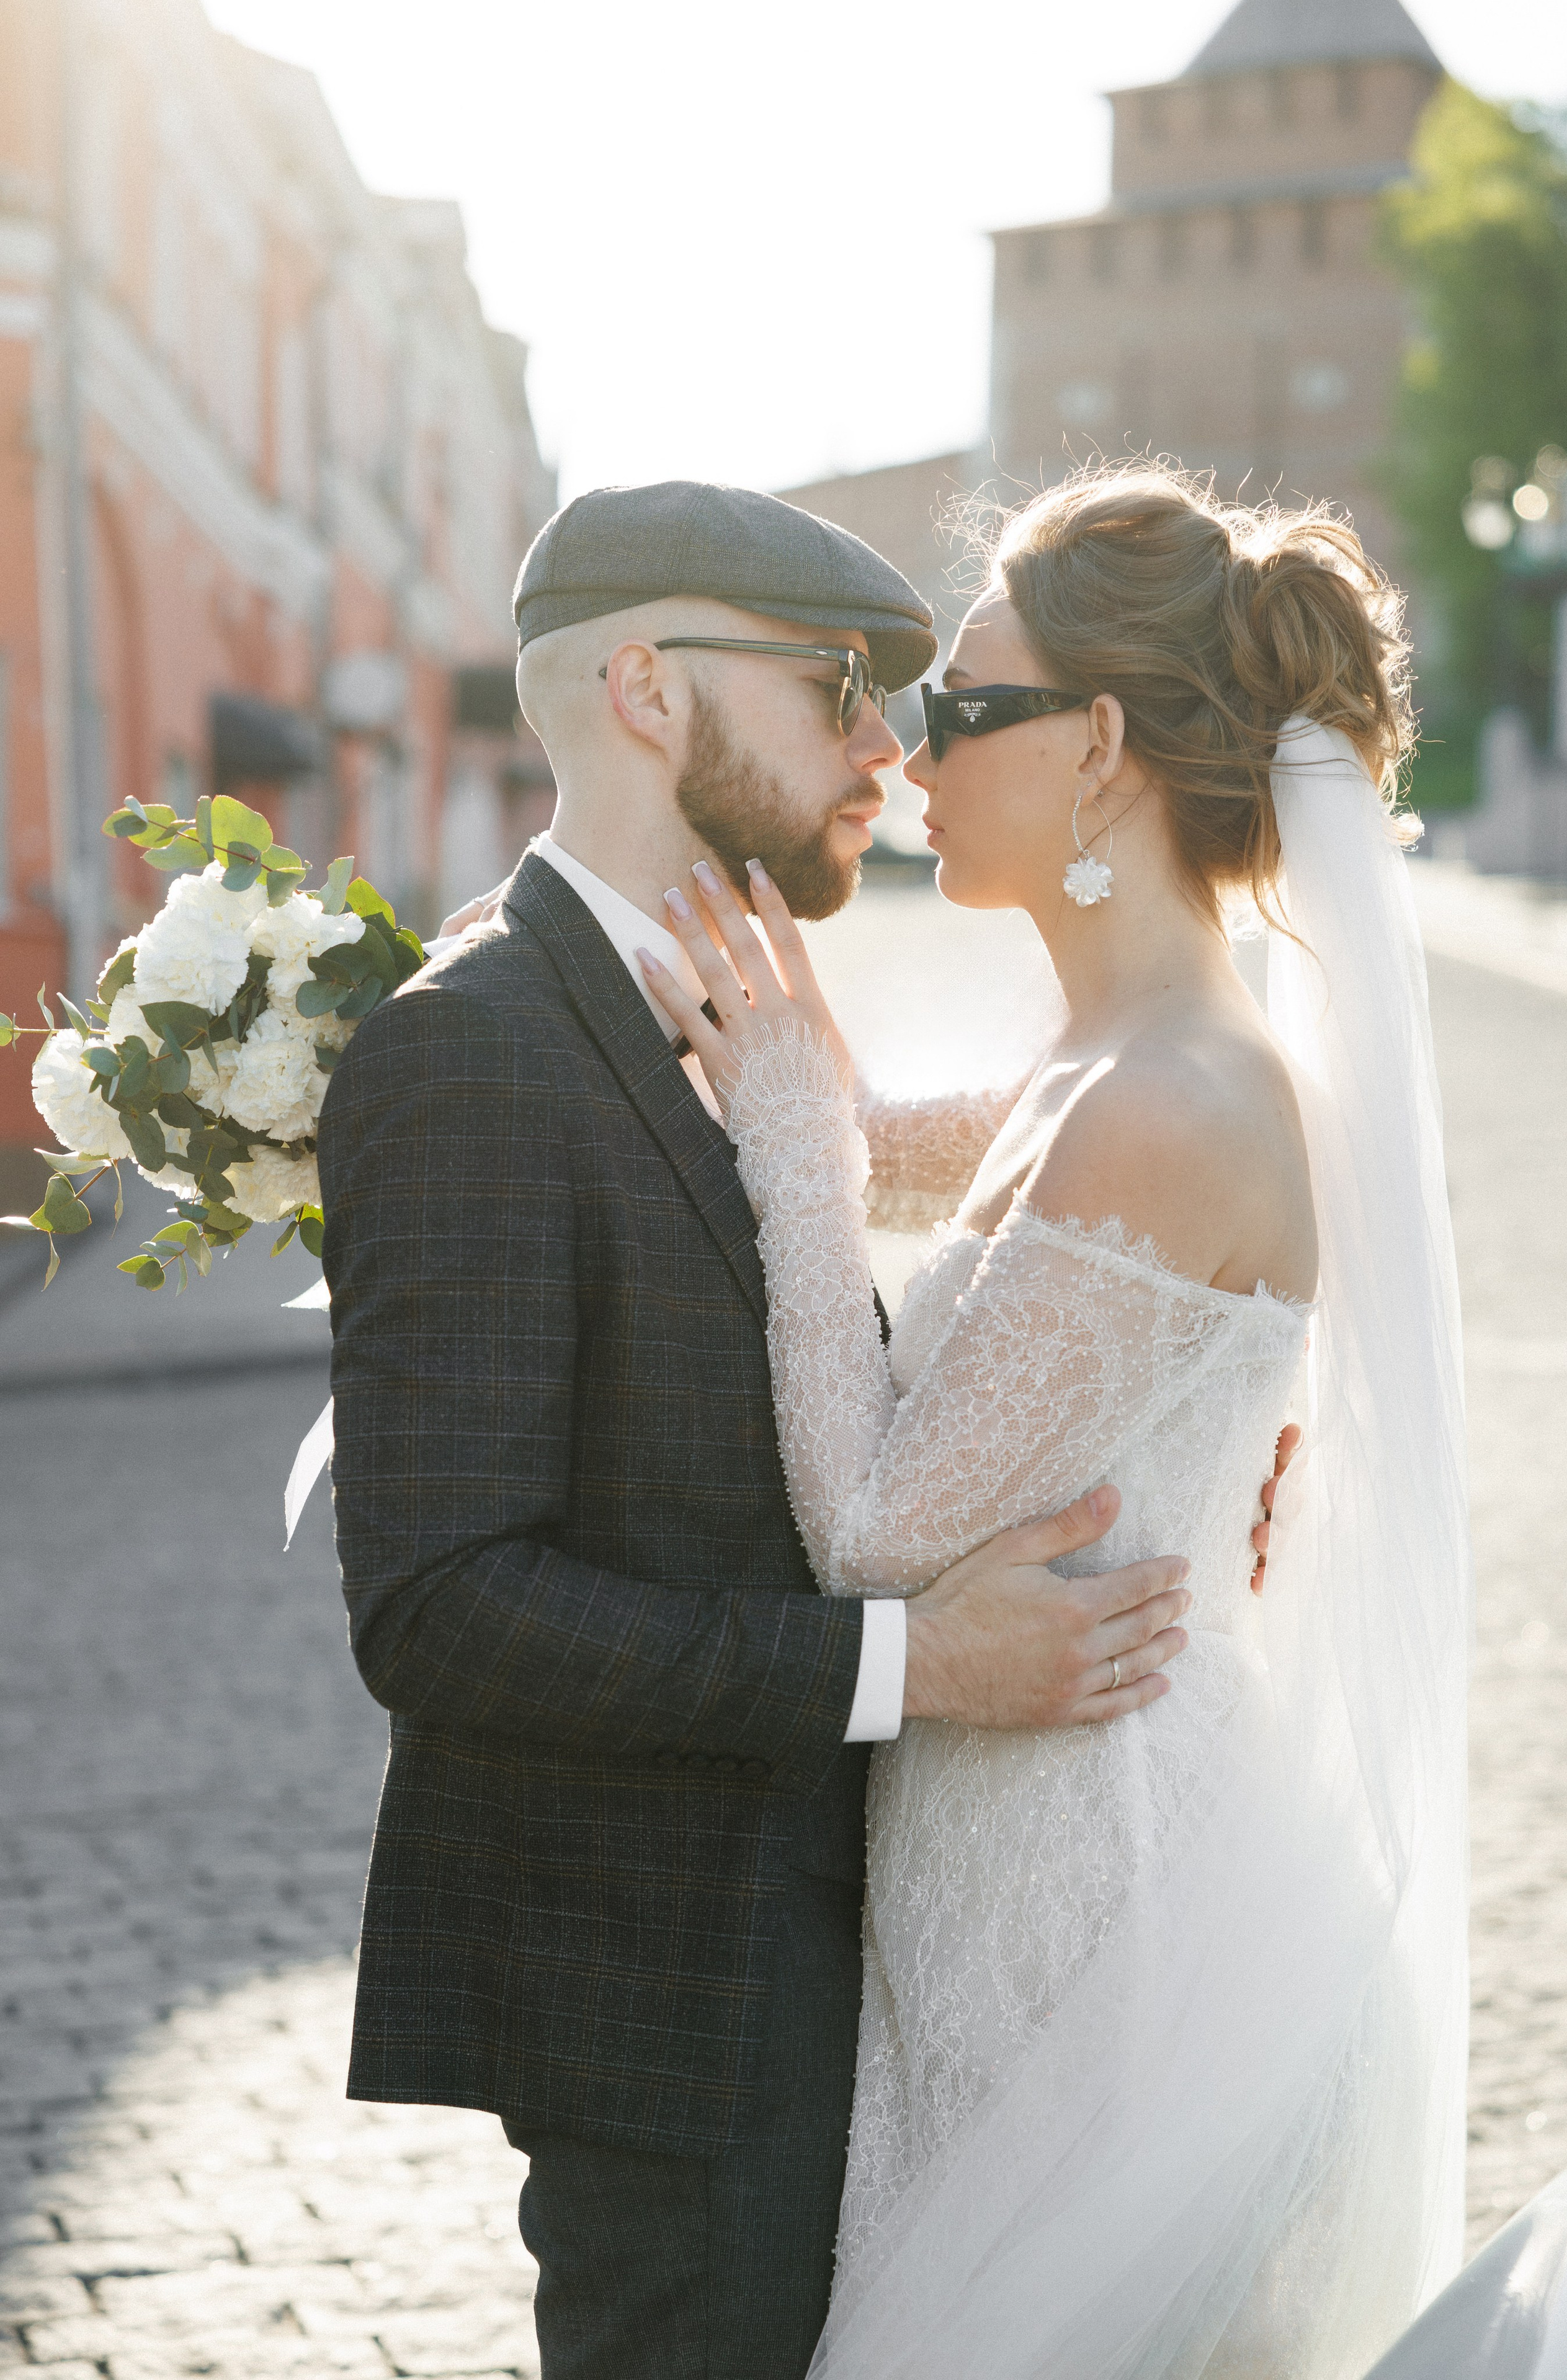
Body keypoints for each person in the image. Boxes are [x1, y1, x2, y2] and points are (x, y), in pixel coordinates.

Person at [318, 481, 1247, 2380]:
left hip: (903, 1966)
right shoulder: (472, 1044)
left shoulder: (714, 1022)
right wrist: (914, 1663)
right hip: (675, 2005)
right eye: (834, 687)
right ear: (648, 690)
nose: (882, 748)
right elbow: (442, 1605)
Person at [643, 464, 1472, 2378]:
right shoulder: (1098, 1064)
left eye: (964, 708)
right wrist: (781, 1085)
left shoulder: (1172, 1100)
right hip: (1016, 1840)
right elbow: (867, 1155)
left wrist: (789, 1129)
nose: (913, 750)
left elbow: (869, 1527)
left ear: (1099, 746)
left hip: (1100, 1908)